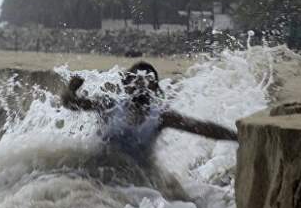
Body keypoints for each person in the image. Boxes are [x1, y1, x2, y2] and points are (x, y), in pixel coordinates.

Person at [60, 61, 237, 198]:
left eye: (147, 82)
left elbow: (202, 128)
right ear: (126, 85)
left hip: (137, 184)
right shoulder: (109, 105)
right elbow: (70, 104)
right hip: (100, 176)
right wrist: (70, 90)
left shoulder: (160, 117)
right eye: (135, 80)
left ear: (154, 88)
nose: (140, 86)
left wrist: (238, 136)